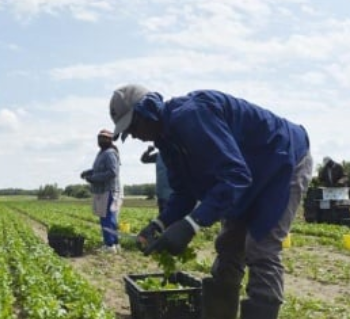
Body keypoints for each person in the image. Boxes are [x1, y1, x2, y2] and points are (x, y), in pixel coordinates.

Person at [110, 85, 311, 319]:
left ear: (148, 111)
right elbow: (184, 194)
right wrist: (159, 224)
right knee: (229, 246)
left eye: (133, 126)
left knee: (261, 247)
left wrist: (191, 225)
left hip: (281, 163)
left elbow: (235, 176)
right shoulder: (167, 143)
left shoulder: (191, 116)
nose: (133, 134)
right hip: (248, 175)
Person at [80, 129, 123, 253]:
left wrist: (93, 179)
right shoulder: (102, 153)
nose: (101, 140)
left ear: (110, 140)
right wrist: (88, 172)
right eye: (99, 138)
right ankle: (114, 244)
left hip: (108, 190)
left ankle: (109, 245)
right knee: (110, 218)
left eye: (104, 138)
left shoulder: (110, 153)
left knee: (107, 218)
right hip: (104, 190)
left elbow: (112, 172)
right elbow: (99, 169)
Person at [140, 145, 172, 213]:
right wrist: (148, 151)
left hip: (173, 193)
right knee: (163, 217)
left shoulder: (177, 153)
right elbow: (144, 159)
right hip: (161, 193)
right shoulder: (159, 155)